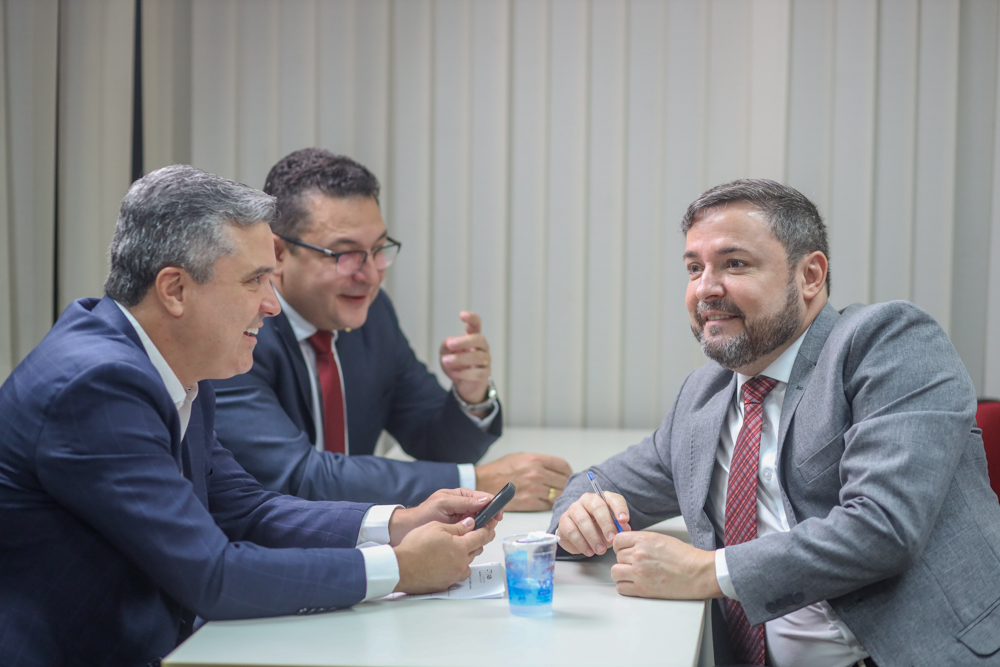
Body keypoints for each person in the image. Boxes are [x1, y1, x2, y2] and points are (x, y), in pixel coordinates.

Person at [0, 166, 499, 667]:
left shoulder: (174, 363)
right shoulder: (96, 384)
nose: (271, 305)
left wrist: (397, 523)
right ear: (174, 289)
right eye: (255, 280)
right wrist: (399, 568)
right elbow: (212, 576)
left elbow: (246, 509)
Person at [551, 179, 1000, 666]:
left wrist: (706, 571)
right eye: (694, 268)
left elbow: (882, 528)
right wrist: (580, 514)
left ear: (809, 275)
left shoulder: (886, 344)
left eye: (734, 264)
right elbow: (596, 483)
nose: (706, 289)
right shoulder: (703, 397)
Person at [212, 149, 572, 509]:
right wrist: (478, 483)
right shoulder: (238, 331)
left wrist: (470, 396)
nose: (370, 276)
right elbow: (298, 477)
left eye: (379, 249)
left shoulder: (371, 313)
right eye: (345, 254)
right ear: (277, 254)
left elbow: (434, 443)